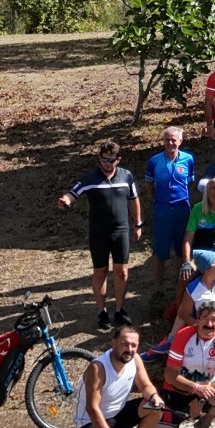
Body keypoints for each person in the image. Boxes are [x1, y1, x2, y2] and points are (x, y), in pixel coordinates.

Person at [56, 139, 142, 329]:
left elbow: (133, 200)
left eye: (111, 160)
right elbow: (72, 194)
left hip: (121, 231)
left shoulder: (126, 176)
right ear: (99, 159)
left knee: (122, 272)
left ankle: (119, 310)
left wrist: (138, 224)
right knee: (100, 272)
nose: (107, 164)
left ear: (118, 160)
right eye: (104, 159)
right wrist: (65, 201)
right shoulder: (90, 178)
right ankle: (102, 312)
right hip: (99, 233)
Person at [73, 325, 164, 428]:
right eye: (125, 344)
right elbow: (92, 407)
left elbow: (145, 385)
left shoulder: (135, 360)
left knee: (155, 408)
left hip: (118, 415)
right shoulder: (98, 367)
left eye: (134, 345)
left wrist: (154, 396)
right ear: (113, 343)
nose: (129, 349)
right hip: (90, 421)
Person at [148, 302, 215, 428]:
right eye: (205, 318)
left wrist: (200, 398)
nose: (209, 323)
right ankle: (164, 422)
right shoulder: (183, 335)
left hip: (206, 393)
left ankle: (204, 423)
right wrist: (195, 388)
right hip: (176, 392)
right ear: (197, 320)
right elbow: (170, 375)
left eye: (214, 319)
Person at [145, 126, 195, 287]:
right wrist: (157, 199)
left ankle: (179, 285)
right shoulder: (154, 161)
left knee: (181, 248)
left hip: (182, 208)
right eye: (167, 139)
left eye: (174, 139)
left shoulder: (188, 159)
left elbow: (190, 183)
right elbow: (149, 184)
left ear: (180, 141)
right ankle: (157, 287)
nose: (170, 143)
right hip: (162, 209)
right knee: (160, 250)